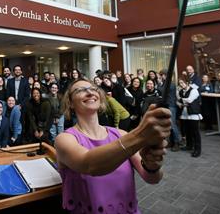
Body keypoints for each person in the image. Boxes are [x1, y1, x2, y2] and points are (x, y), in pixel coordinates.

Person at [55, 79, 171, 213]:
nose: (89, 92)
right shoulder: (64, 139)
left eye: (93, 89)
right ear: (70, 103)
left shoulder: (120, 134)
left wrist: (153, 165)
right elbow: (90, 164)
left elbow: (152, 178)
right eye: (80, 90)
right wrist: (140, 135)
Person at [177, 79, 202, 157]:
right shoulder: (181, 91)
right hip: (184, 114)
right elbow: (177, 101)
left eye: (182, 82)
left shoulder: (194, 90)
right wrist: (179, 103)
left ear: (187, 82)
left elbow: (190, 100)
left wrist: (180, 100)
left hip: (193, 114)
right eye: (179, 83)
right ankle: (189, 146)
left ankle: (197, 150)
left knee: (195, 133)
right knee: (187, 131)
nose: (181, 84)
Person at [158, 69, 181, 151]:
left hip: (171, 106)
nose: (160, 76)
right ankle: (171, 142)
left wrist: (159, 83)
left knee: (172, 125)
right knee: (168, 125)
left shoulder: (170, 84)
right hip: (168, 106)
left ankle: (177, 142)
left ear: (165, 75)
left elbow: (162, 91)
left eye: (161, 75)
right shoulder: (166, 83)